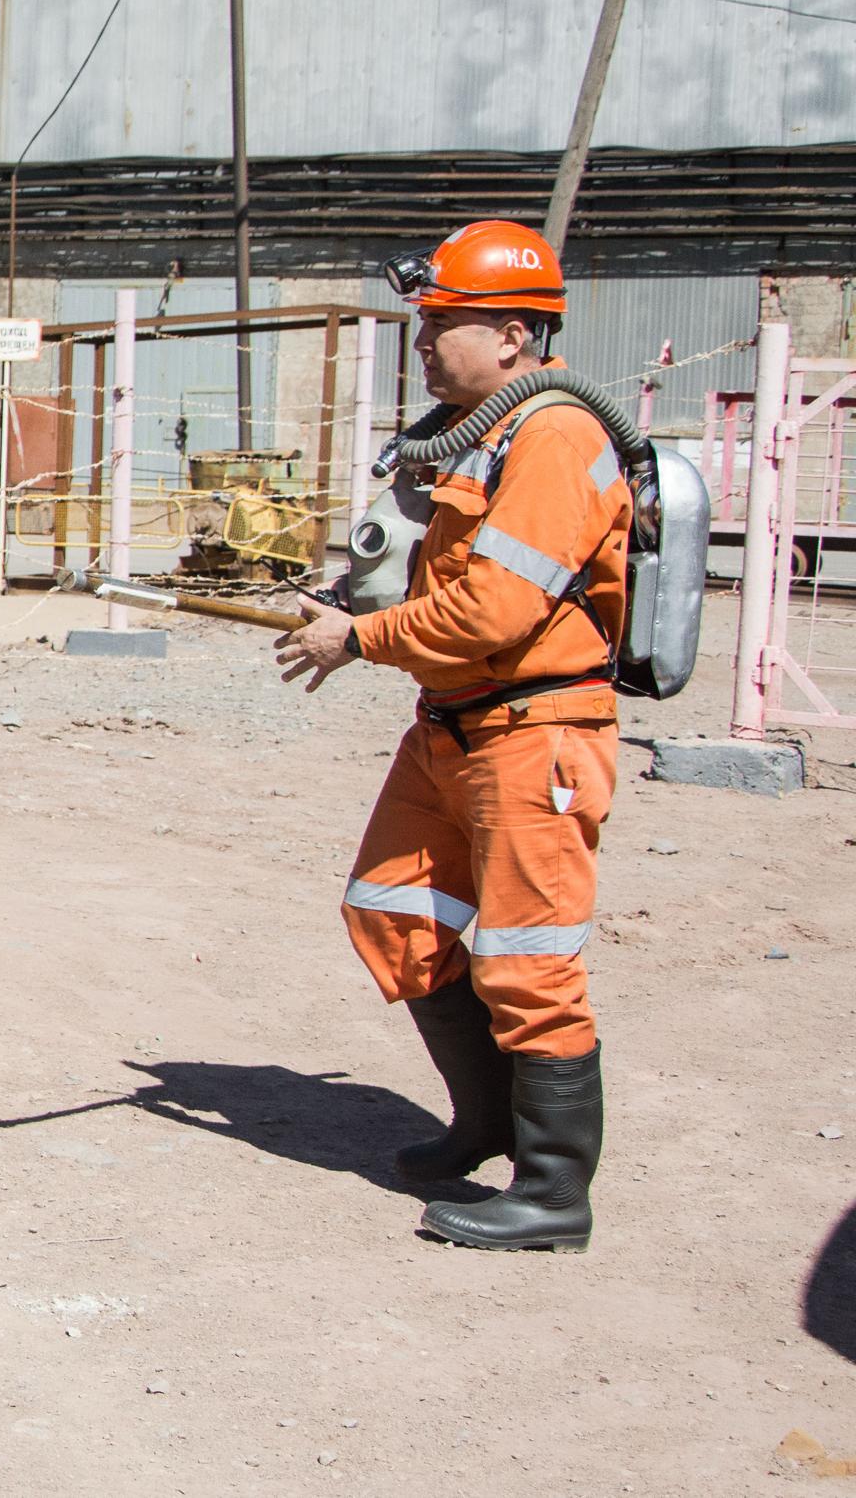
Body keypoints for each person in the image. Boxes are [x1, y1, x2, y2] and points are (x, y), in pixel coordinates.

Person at [275, 219, 626, 1254]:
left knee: (527, 957)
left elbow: (494, 614)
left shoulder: (556, 436)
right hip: (451, 724)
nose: (423, 342)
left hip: (535, 731)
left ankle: (554, 1188)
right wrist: (347, 601)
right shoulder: (476, 432)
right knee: (389, 909)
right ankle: (484, 1120)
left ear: (515, 335)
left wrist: (361, 637)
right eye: (422, 324)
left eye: (444, 324)